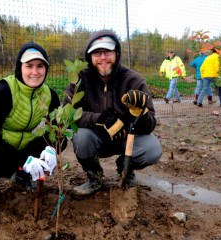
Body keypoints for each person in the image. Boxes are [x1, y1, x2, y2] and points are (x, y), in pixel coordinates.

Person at [0, 42, 64, 225]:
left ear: (46, 69)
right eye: (29, 66)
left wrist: (52, 149)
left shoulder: (49, 95)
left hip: (17, 149)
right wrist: (23, 160)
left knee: (44, 143)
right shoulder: (4, 91)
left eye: (40, 66)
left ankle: (20, 177)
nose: (35, 72)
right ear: (20, 67)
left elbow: (59, 134)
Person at [63, 29, 162, 198]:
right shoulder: (80, 79)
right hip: (96, 139)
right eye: (97, 53)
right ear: (89, 57)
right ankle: (95, 178)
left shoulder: (134, 80)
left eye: (107, 51)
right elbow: (67, 115)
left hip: (125, 140)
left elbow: (150, 124)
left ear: (116, 53)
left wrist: (140, 114)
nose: (103, 58)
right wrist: (99, 118)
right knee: (81, 137)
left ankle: (126, 169)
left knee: (151, 148)